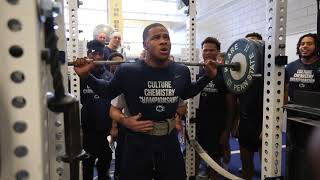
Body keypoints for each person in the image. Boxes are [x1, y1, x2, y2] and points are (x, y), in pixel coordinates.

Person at [73, 23, 218, 180]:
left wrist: (207, 77)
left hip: (168, 141)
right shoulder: (128, 71)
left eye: (166, 37)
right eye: (156, 38)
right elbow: (107, 91)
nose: (163, 41)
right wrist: (86, 76)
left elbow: (188, 92)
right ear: (145, 45)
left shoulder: (181, 71)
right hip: (137, 142)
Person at [196, 37, 234, 179]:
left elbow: (231, 105)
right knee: (196, 155)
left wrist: (227, 130)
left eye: (211, 50)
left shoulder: (225, 74)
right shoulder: (197, 72)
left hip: (217, 126)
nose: (208, 53)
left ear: (218, 52)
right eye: (205, 50)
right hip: (198, 123)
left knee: (214, 161)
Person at [285, 33, 320, 180]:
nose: (304, 46)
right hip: (294, 118)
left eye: (309, 43)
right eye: (302, 43)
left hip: (316, 120)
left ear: (316, 46)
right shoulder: (290, 67)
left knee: (313, 155)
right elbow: (284, 88)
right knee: (293, 151)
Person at [80, 40, 113, 180]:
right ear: (88, 55)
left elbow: (115, 104)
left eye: (100, 54)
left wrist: (114, 127)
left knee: (105, 159)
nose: (97, 57)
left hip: (105, 127)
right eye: (93, 53)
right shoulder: (79, 76)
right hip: (88, 128)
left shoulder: (109, 77)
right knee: (88, 161)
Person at [236, 32, 264, 180]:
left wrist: (270, 126)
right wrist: (236, 122)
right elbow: (236, 99)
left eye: (257, 43)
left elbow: (280, 100)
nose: (253, 47)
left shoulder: (273, 71)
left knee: (268, 165)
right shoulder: (239, 73)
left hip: (264, 122)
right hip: (246, 122)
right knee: (246, 165)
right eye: (249, 43)